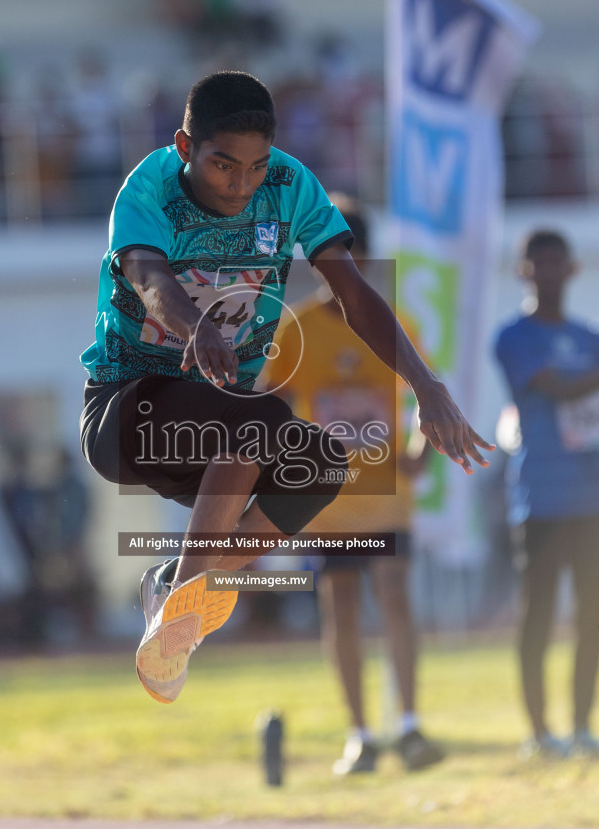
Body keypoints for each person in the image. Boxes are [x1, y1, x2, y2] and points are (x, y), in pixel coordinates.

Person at [79, 70, 493, 704]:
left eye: (253, 167)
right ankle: (185, 606)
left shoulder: (290, 186)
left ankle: (178, 586)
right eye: (222, 166)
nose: (240, 185)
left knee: (320, 463)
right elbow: (148, 275)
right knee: (262, 414)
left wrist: (428, 386)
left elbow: (353, 293)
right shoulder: (150, 187)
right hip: (128, 413)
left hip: (221, 432)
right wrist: (194, 327)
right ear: (186, 148)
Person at [261, 194, 443, 773]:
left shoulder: (396, 323)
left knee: (393, 595)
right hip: (327, 503)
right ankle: (360, 734)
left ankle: (410, 727)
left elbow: (423, 397)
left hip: (386, 497)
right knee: (340, 607)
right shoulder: (296, 332)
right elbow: (271, 409)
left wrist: (418, 452)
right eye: (325, 257)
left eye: (350, 256)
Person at [495, 229, 599, 758]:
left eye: (559, 262)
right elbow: (558, 387)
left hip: (591, 501)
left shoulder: (590, 338)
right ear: (524, 271)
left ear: (573, 269)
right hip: (540, 499)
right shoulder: (513, 337)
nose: (550, 272)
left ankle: (582, 729)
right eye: (540, 263)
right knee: (537, 615)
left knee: (592, 618)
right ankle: (538, 734)